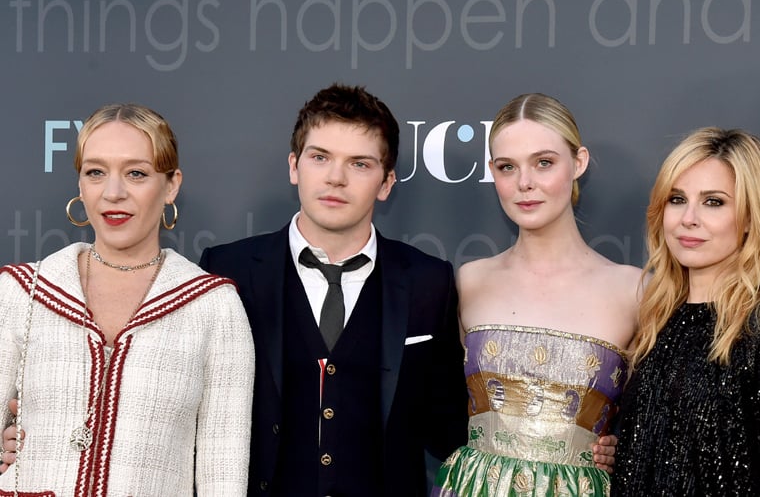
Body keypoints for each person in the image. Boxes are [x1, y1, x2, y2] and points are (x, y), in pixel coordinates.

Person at [197, 83, 470, 496]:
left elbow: (451, 428)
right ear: (294, 166)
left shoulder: (428, 280)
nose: (335, 178)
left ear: (386, 183)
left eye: (359, 164)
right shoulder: (226, 270)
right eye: (320, 157)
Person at [0, 103, 254, 495]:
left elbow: (224, 475)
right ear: (80, 186)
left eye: (136, 173)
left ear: (171, 185)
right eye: (95, 172)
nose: (113, 193)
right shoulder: (22, 291)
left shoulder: (213, 306)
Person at [431, 93, 641, 496]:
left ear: (578, 163)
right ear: (493, 172)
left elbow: (654, 423)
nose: (524, 183)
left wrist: (625, 449)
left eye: (544, 162)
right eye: (507, 167)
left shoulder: (633, 290)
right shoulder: (469, 281)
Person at [613, 127, 760, 496]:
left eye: (713, 202)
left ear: (750, 218)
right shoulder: (658, 320)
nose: (689, 218)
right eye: (677, 199)